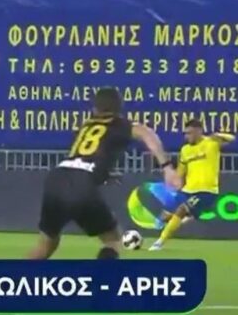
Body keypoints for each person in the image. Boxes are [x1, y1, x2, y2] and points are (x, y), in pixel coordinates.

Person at [27, 87, 179, 260]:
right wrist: (167, 167)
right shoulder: (119, 124)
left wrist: (103, 174)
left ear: (95, 108)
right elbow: (146, 133)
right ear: (119, 107)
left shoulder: (85, 126)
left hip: (57, 178)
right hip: (80, 183)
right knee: (113, 240)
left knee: (46, 244)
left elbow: (85, 156)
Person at [149, 120, 234, 251]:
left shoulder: (211, 143)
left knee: (181, 210)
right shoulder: (185, 150)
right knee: (165, 216)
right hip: (187, 190)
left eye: (189, 133)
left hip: (206, 191)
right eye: (185, 133)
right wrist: (175, 181)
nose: (186, 136)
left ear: (199, 131)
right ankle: (184, 219)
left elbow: (231, 139)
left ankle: (159, 242)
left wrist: (218, 135)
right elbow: (181, 170)